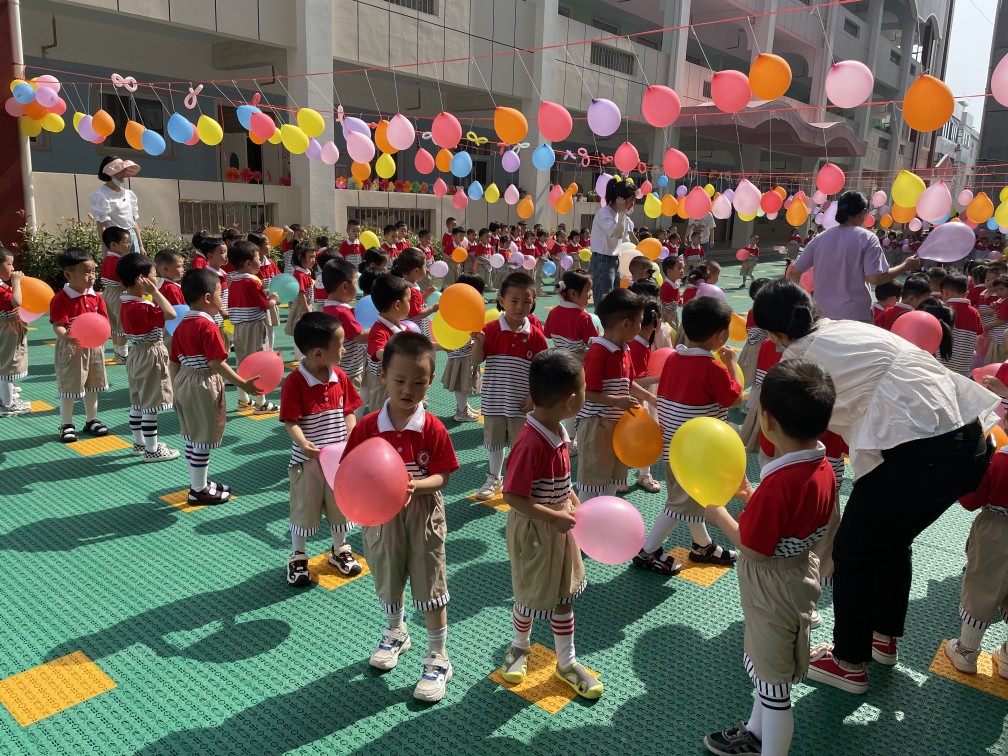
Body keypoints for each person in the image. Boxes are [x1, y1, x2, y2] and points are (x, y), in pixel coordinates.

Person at [751, 279, 997, 694]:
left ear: (774, 334)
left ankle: (849, 662)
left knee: (852, 550)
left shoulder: (799, 359)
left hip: (917, 449)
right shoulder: (848, 327)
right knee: (891, 541)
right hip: (969, 440)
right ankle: (882, 638)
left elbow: (796, 427)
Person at [702, 359, 838, 756]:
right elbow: (796, 519)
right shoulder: (822, 466)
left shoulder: (780, 484)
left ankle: (767, 744)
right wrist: (751, 495)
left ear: (768, 420)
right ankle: (755, 732)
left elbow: (754, 548)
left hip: (771, 586)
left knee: (775, 688)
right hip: (797, 575)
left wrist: (719, 514)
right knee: (767, 671)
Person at [344, 331, 460, 703]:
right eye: (399, 381)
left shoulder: (432, 427)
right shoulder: (367, 427)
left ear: (431, 380)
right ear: (382, 375)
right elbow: (351, 470)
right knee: (388, 574)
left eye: (418, 383)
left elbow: (443, 474)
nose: (408, 390)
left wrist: (417, 485)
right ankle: (396, 631)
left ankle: (438, 656)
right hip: (381, 517)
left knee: (430, 582)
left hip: (422, 513)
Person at [499, 348, 603, 699]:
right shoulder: (531, 442)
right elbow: (512, 496)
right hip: (534, 530)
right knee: (528, 593)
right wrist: (554, 515)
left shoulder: (557, 430)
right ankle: (519, 645)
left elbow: (560, 479)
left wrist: (572, 500)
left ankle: (567, 662)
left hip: (559, 526)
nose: (586, 394)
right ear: (572, 401)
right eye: (584, 389)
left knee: (562, 595)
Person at [635, 296, 743, 575]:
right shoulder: (713, 368)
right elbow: (733, 398)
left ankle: (702, 545)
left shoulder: (673, 359)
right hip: (697, 455)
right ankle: (647, 552)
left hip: (674, 448)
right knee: (679, 505)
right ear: (721, 336)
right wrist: (732, 364)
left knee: (693, 500)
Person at [280, 312, 363, 587]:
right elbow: (291, 421)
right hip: (308, 462)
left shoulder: (340, 377)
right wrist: (302, 443)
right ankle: (298, 555)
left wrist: (351, 434)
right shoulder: (295, 382)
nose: (344, 349)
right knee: (304, 508)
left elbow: (348, 411)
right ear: (318, 353)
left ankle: (339, 549)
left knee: (341, 505)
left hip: (337, 460)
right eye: (340, 345)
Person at [169, 269, 260, 505]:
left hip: (184, 381)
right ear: (208, 298)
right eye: (220, 294)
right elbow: (216, 363)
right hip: (203, 384)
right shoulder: (207, 326)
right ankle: (198, 490)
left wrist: (175, 390)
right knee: (202, 438)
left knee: (192, 436)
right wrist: (243, 383)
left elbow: (174, 362)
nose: (222, 299)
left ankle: (198, 482)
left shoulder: (182, 324)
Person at [472, 271, 548, 500]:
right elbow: (476, 360)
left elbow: (542, 369)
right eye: (514, 301)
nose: (519, 306)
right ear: (502, 301)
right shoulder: (490, 330)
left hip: (521, 402)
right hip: (494, 399)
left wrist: (534, 396)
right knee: (494, 443)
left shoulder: (536, 335)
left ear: (533, 303)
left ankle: (518, 481)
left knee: (520, 444)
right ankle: (494, 478)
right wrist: (478, 342)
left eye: (526, 301)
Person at [787, 191, 921, 322]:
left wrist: (803, 302)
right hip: (856, 315)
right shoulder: (867, 238)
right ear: (863, 212)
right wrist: (905, 266)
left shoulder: (819, 238)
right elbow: (875, 278)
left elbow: (794, 272)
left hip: (822, 315)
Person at [574, 289, 656, 499]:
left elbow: (628, 383)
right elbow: (587, 392)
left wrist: (649, 398)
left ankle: (606, 510)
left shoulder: (624, 350)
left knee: (613, 476)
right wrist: (616, 401)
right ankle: (586, 514)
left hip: (618, 426)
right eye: (640, 322)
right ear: (626, 324)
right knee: (592, 479)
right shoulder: (598, 352)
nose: (641, 327)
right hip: (596, 425)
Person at [944, 414, 1008, 678]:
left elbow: (971, 501)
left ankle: (967, 652)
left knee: (982, 586)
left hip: (996, 531)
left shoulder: (1001, 460)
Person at [116, 252, 179, 462]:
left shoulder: (126, 303)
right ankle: (152, 449)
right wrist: (155, 292)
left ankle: (139, 443)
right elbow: (171, 314)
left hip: (136, 353)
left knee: (138, 402)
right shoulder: (143, 306)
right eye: (153, 275)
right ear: (141, 279)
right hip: (151, 353)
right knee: (151, 404)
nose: (157, 280)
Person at [50, 247, 109, 443]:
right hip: (72, 348)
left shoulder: (96, 296)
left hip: (94, 348)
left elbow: (103, 321)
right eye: (86, 272)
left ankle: (91, 420)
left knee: (92, 385)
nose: (92, 276)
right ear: (68, 274)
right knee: (70, 387)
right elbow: (58, 325)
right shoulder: (61, 298)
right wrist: (66, 336)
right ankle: (66, 424)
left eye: (93, 271)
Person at [228, 240, 281, 413]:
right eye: (258, 258)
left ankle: (243, 400)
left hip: (239, 327)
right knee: (259, 363)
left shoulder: (234, 281)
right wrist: (273, 299)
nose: (260, 262)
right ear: (248, 263)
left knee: (242, 362)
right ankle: (261, 402)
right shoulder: (252, 281)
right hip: (254, 327)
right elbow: (264, 305)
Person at [627, 294, 663, 494]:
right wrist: (660, 379)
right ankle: (643, 475)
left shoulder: (642, 343)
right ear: (655, 321)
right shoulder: (637, 346)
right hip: (633, 402)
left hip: (636, 400)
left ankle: (632, 475)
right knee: (643, 438)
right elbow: (633, 381)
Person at [321, 257, 369, 397]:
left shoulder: (328, 308)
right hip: (350, 371)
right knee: (350, 404)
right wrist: (382, 327)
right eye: (355, 282)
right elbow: (360, 337)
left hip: (338, 368)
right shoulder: (343, 313)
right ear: (345, 286)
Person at [440, 274, 484, 423]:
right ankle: (462, 411)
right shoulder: (459, 307)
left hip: (465, 351)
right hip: (460, 353)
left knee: (465, 381)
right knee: (461, 382)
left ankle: (463, 406)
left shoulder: (461, 305)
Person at [365, 274, 411, 413]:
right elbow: (380, 352)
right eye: (408, 300)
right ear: (397, 305)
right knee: (383, 420)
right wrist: (407, 356)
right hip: (385, 387)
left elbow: (420, 346)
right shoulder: (378, 330)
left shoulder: (403, 328)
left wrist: (442, 345)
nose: (410, 304)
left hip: (404, 382)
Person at [589, 177, 637, 305]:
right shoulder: (604, 213)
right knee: (604, 303)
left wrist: (622, 214)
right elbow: (618, 234)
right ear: (621, 199)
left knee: (613, 302)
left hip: (612, 260)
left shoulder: (617, 214)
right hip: (602, 261)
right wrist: (622, 213)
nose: (633, 204)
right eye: (631, 200)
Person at [89, 156, 144, 254]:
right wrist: (107, 248)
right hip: (115, 241)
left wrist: (140, 245)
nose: (123, 173)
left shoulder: (128, 194)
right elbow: (101, 225)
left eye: (124, 169)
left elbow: (133, 222)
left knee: (135, 264)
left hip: (132, 238)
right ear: (110, 173)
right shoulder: (100, 195)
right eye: (120, 170)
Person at [0, 248, 30, 416]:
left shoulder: (2, 284)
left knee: (4, 365)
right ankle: (8, 405)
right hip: (6, 329)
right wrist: (17, 283)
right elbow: (16, 301)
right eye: (9, 264)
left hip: (8, 327)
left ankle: (5, 398)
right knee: (7, 368)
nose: (12, 268)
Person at [98, 226, 133, 363]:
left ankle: (118, 353)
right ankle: (123, 355)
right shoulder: (120, 261)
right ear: (113, 244)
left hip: (107, 292)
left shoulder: (107, 258)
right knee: (121, 325)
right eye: (125, 242)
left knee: (113, 325)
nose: (129, 245)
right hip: (119, 293)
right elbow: (125, 281)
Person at [939, 273, 983, 376]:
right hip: (963, 364)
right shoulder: (974, 312)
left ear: (945, 292)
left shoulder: (943, 309)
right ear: (967, 293)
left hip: (943, 360)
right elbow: (979, 333)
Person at [391, 248, 438, 340]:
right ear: (416, 271)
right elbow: (416, 315)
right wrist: (433, 308)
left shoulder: (404, 284)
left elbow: (415, 304)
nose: (427, 269)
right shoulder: (412, 291)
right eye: (425, 266)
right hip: (415, 329)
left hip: (409, 327)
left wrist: (426, 294)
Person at [284, 243, 317, 359]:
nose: (314, 260)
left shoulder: (305, 272)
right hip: (301, 306)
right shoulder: (300, 274)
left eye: (314, 257)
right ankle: (300, 357)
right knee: (301, 330)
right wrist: (307, 310)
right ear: (300, 257)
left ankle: (302, 356)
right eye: (311, 257)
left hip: (306, 304)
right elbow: (301, 293)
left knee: (306, 331)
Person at [739, 278, 771, 388]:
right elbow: (769, 332)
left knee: (751, 377)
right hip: (760, 348)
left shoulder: (752, 311)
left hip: (750, 347)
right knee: (759, 379)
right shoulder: (764, 313)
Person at [659, 255, 684, 332]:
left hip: (674, 311)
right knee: (670, 331)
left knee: (675, 328)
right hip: (667, 313)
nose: (682, 270)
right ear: (669, 271)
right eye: (679, 268)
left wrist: (681, 302)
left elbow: (677, 298)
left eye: (682, 268)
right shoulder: (666, 286)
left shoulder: (676, 284)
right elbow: (661, 301)